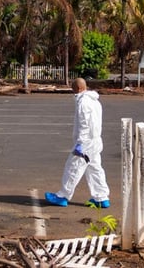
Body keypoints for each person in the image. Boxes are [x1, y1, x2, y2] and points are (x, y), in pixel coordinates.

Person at [45, 77, 111, 208]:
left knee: (73, 167)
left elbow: (84, 124)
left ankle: (63, 196)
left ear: (79, 89)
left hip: (86, 142)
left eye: (73, 89)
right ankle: (101, 197)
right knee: (94, 168)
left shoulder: (84, 102)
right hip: (95, 141)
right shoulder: (95, 101)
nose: (73, 92)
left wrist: (80, 143)